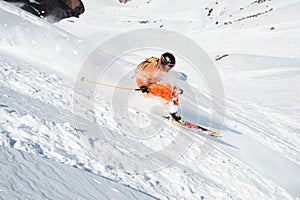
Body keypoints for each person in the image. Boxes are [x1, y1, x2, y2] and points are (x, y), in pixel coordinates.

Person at [134, 52, 182, 122]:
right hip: (146, 89)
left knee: (173, 89)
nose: (169, 69)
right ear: (163, 63)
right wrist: (142, 86)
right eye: (168, 66)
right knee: (167, 89)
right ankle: (167, 112)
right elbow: (139, 76)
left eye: (171, 67)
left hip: (152, 87)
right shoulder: (151, 68)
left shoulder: (161, 69)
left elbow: (164, 80)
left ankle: (173, 112)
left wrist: (176, 88)